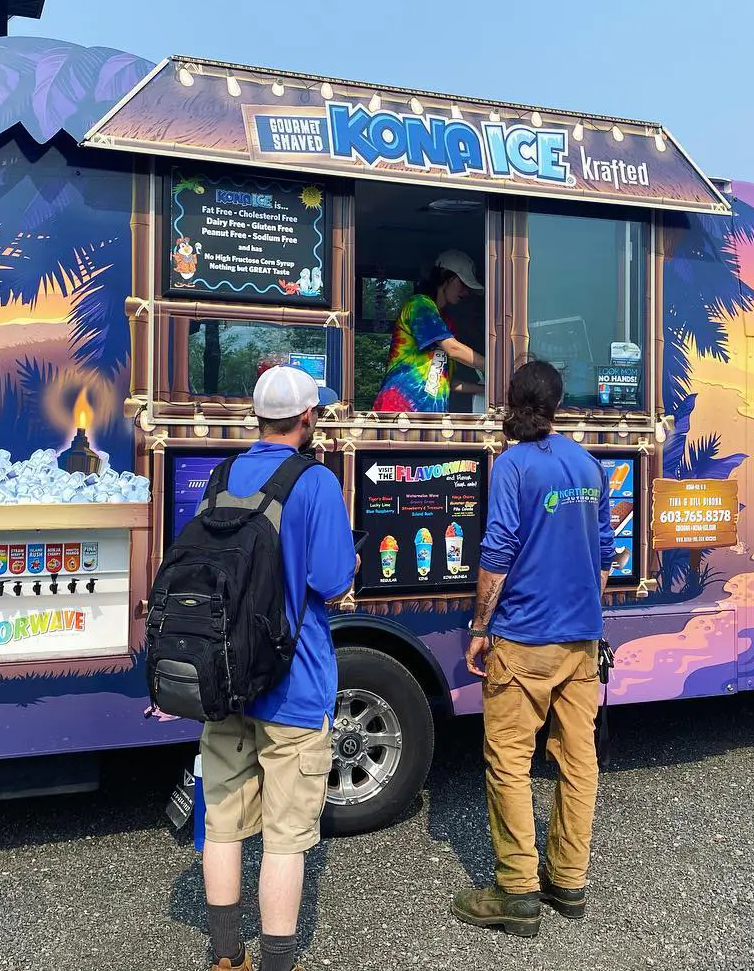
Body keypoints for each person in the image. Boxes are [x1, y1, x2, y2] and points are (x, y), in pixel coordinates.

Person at [199, 366, 357, 971]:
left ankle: (226, 956)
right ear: (308, 417)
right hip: (294, 683)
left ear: (257, 416)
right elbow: (332, 581)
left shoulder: (221, 476)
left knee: (222, 824)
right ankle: (277, 964)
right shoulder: (314, 482)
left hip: (227, 678)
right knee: (284, 838)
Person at [454, 360, 614, 939]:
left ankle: (517, 890)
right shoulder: (588, 464)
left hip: (523, 639)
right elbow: (605, 552)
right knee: (578, 761)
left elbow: (497, 551)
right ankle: (568, 881)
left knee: (509, 762)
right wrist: (586, 613)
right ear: (558, 404)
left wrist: (480, 626)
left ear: (512, 400)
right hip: (581, 641)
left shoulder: (512, 465)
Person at [372, 249, 486, 414]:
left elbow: (448, 381)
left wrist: (486, 389)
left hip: (431, 416)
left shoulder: (447, 323)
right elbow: (453, 349)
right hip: (399, 410)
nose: (466, 292)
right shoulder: (420, 305)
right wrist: (495, 368)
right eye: (463, 284)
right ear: (447, 278)